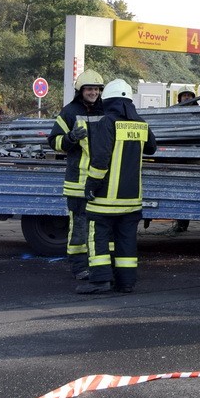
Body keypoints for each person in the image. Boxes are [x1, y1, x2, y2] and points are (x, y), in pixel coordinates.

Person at [76, 79, 158, 294]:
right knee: (126, 241)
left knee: (97, 236)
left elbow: (101, 158)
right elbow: (152, 148)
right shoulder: (141, 124)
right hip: (132, 198)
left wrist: (91, 184)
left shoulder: (107, 122)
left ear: (109, 101)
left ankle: (100, 280)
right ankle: (126, 282)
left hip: (106, 198)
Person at [47, 69, 104, 281]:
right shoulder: (69, 112)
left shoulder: (106, 110)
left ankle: (98, 265)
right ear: (80, 91)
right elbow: (54, 142)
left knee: (99, 228)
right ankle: (79, 267)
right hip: (78, 183)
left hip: (100, 181)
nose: (93, 92)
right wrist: (70, 138)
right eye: (89, 88)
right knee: (79, 228)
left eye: (97, 89)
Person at [169, 88, 200, 235]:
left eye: (189, 95)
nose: (187, 98)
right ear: (180, 98)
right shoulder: (173, 114)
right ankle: (182, 224)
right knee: (182, 194)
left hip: (199, 159)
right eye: (184, 96)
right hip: (181, 159)